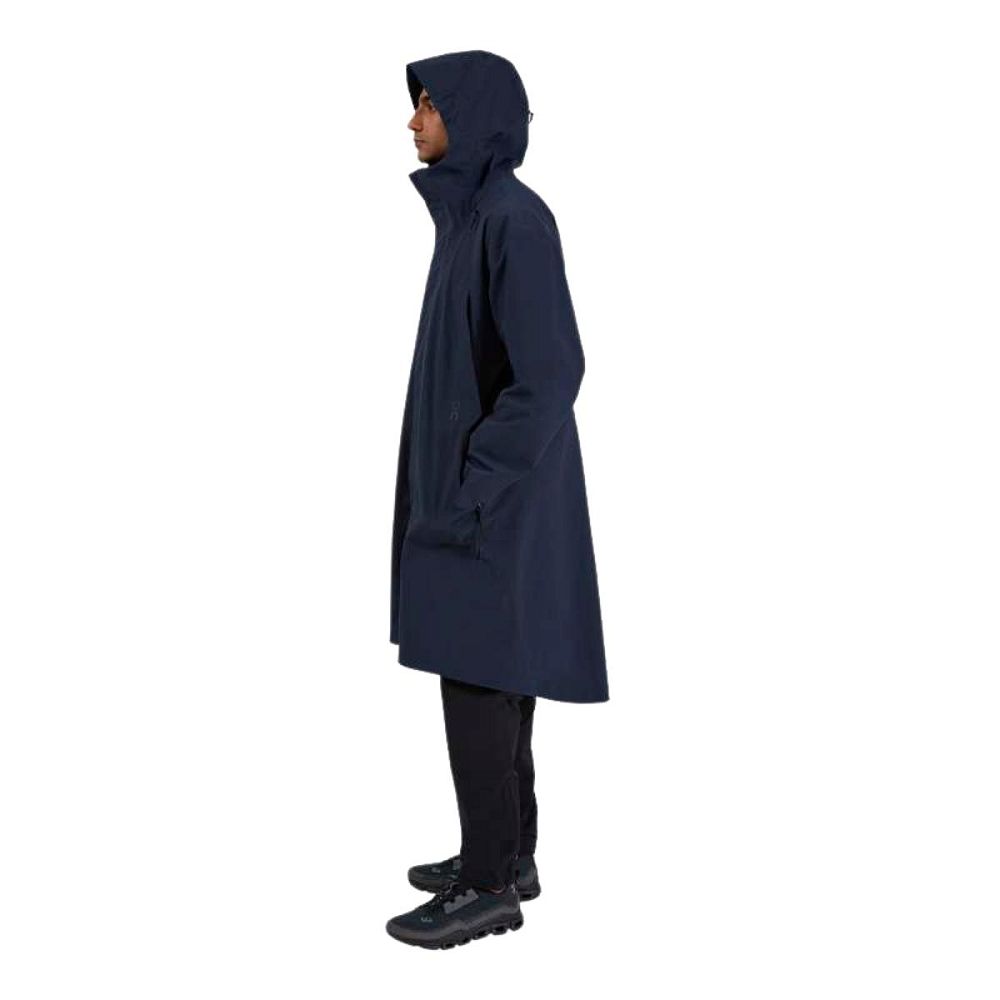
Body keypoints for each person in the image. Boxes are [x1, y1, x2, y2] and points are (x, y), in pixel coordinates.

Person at [386, 50, 609, 950]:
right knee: (494, 672)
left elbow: (551, 372)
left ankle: (485, 887)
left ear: (472, 114)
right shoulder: (470, 220)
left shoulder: (513, 220)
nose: (414, 122)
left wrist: (472, 481)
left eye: (429, 105)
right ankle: (508, 857)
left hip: (495, 503)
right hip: (482, 499)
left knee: (477, 674)